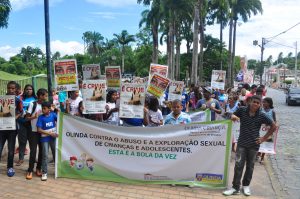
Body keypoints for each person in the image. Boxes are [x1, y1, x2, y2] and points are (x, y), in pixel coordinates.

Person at [223, 95, 277, 196]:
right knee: (238, 165)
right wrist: (232, 116)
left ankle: (246, 186)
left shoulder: (262, 114)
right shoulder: (242, 110)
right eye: (254, 102)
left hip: (254, 145)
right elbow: (228, 115)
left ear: (260, 104)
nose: (256, 104)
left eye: (258, 103)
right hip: (242, 143)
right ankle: (235, 188)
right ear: (249, 102)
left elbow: (274, 126)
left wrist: (263, 138)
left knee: (250, 166)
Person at [0, 81, 23, 177]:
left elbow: (21, 112)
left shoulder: (18, 100)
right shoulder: (2, 99)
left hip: (12, 129)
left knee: (10, 149)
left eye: (13, 88)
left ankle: (10, 167)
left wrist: (15, 118)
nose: (10, 90)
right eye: (9, 88)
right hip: (1, 128)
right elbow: (3, 112)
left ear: (16, 90)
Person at [25, 88, 48, 179]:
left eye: (46, 96)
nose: (46, 97)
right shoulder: (32, 104)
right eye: (45, 95)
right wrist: (33, 117)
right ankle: (30, 170)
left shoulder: (46, 105)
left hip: (43, 131)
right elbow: (26, 118)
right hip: (33, 131)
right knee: (33, 151)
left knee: (42, 152)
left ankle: (38, 169)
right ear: (40, 96)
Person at [15, 84, 37, 166]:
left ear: (33, 90)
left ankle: (33, 158)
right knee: (22, 141)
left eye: (30, 89)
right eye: (27, 89)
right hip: (21, 122)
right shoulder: (20, 98)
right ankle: (21, 159)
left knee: (32, 142)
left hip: (32, 123)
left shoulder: (36, 99)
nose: (28, 90)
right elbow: (16, 109)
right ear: (24, 90)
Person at [36, 101, 58, 181]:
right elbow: (39, 130)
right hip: (44, 139)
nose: (43, 110)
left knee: (55, 154)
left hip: (53, 138)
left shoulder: (53, 115)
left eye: (44, 108)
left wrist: (55, 109)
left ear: (49, 109)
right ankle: (44, 172)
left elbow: (61, 119)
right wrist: (49, 133)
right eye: (42, 108)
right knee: (45, 155)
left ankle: (57, 171)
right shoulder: (41, 117)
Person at [259, 97, 277, 164]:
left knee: (265, 143)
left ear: (269, 103)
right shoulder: (261, 110)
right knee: (259, 141)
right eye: (263, 102)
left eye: (264, 102)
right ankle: (258, 153)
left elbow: (274, 121)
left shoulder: (272, 111)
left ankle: (262, 157)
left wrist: (273, 127)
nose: (263, 103)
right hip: (260, 129)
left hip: (268, 130)